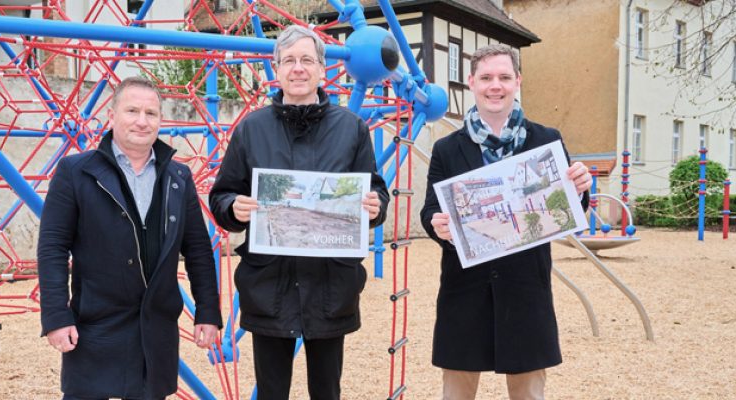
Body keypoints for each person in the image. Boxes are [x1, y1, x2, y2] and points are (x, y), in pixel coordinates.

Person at [208, 25, 389, 400]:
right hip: (269, 287)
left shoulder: (351, 129)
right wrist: (233, 208)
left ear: (323, 69)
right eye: (289, 60)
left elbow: (375, 191)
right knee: (271, 393)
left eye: (307, 60)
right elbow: (222, 194)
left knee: (327, 391)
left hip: (330, 287)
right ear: (276, 70)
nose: (298, 68)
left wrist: (375, 206)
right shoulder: (251, 129)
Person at [420, 44, 592, 400]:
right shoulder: (447, 149)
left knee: (529, 392)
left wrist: (580, 189)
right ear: (471, 82)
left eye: (503, 77)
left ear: (517, 82)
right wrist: (437, 225)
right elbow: (430, 210)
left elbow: (569, 209)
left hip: (525, 287)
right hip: (465, 290)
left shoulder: (547, 140)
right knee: (457, 393)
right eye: (486, 78)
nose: (494, 86)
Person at [37, 76, 222, 400]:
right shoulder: (76, 172)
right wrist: (56, 316)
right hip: (94, 325)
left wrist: (208, 311)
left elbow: (197, 250)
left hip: (156, 326)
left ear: (160, 120)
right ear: (111, 117)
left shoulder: (179, 177)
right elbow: (52, 248)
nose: (141, 120)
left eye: (151, 113)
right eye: (132, 110)